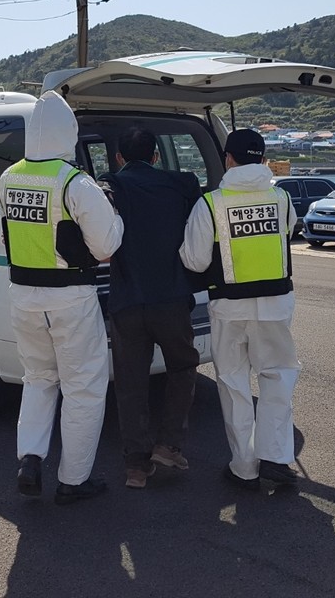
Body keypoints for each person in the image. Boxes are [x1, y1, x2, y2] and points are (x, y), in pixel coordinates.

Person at [0, 90, 123, 505]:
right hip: (71, 298)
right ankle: (74, 479)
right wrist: (113, 213)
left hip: (23, 297)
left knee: (38, 379)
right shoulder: (76, 182)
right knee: (83, 387)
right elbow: (106, 246)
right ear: (69, 133)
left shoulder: (7, 177)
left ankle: (30, 457)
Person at [179, 128, 302, 491]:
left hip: (229, 308)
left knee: (234, 384)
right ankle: (277, 460)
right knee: (277, 379)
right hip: (277, 305)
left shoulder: (211, 203)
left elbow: (196, 261)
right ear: (263, 160)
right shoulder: (281, 199)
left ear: (228, 159)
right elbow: (287, 233)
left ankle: (245, 468)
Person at [100, 127, 202, 489]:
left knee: (130, 383)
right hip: (172, 298)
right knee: (184, 366)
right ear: (157, 156)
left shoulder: (111, 185)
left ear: (118, 158)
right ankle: (169, 444)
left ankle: (135, 467)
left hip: (127, 301)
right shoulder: (182, 185)